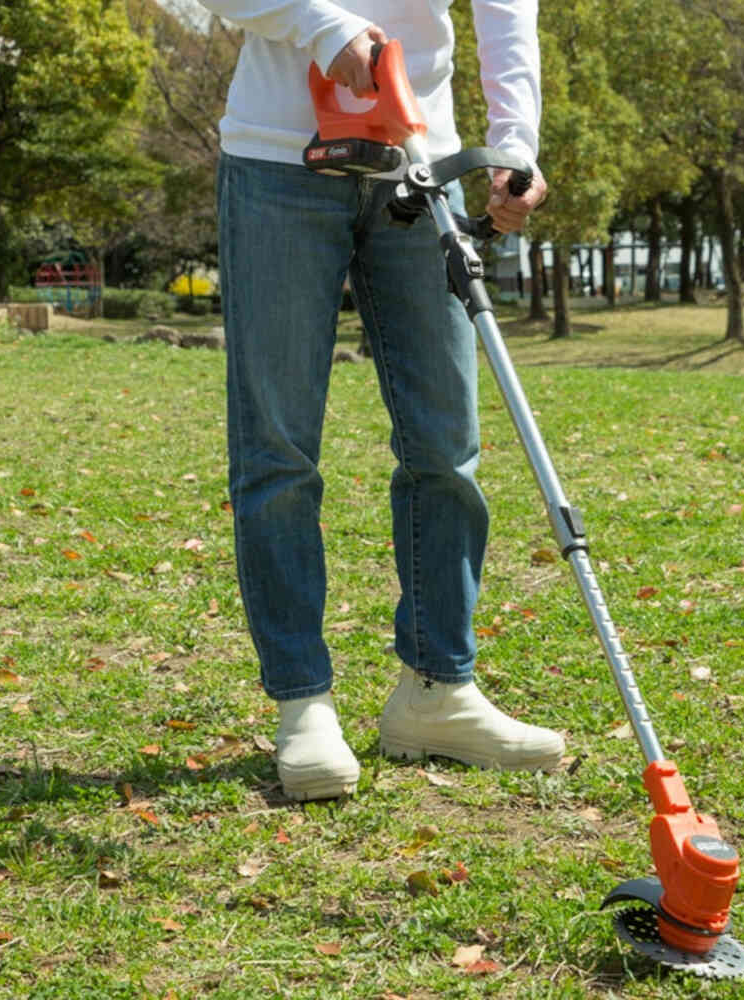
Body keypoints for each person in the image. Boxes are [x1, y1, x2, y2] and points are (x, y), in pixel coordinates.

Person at [198, 0, 564, 800]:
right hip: (276, 161)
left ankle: (437, 689)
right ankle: (303, 703)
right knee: (278, 449)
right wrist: (324, 28)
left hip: (419, 158)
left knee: (446, 444)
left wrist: (514, 146)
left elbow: (507, 9)